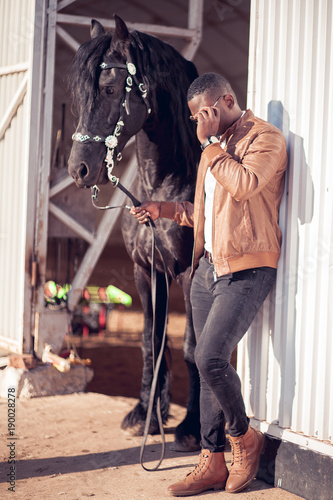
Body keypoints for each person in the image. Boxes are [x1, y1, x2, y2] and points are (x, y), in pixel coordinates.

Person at [130, 72, 288, 496]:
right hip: (207, 269)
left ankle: (244, 439)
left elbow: (245, 186)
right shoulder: (212, 151)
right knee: (204, 361)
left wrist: (210, 147)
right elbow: (205, 211)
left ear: (227, 101)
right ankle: (212, 459)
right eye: (194, 116)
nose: (200, 121)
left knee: (211, 358)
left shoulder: (265, 140)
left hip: (248, 267)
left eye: (205, 113)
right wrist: (160, 208)